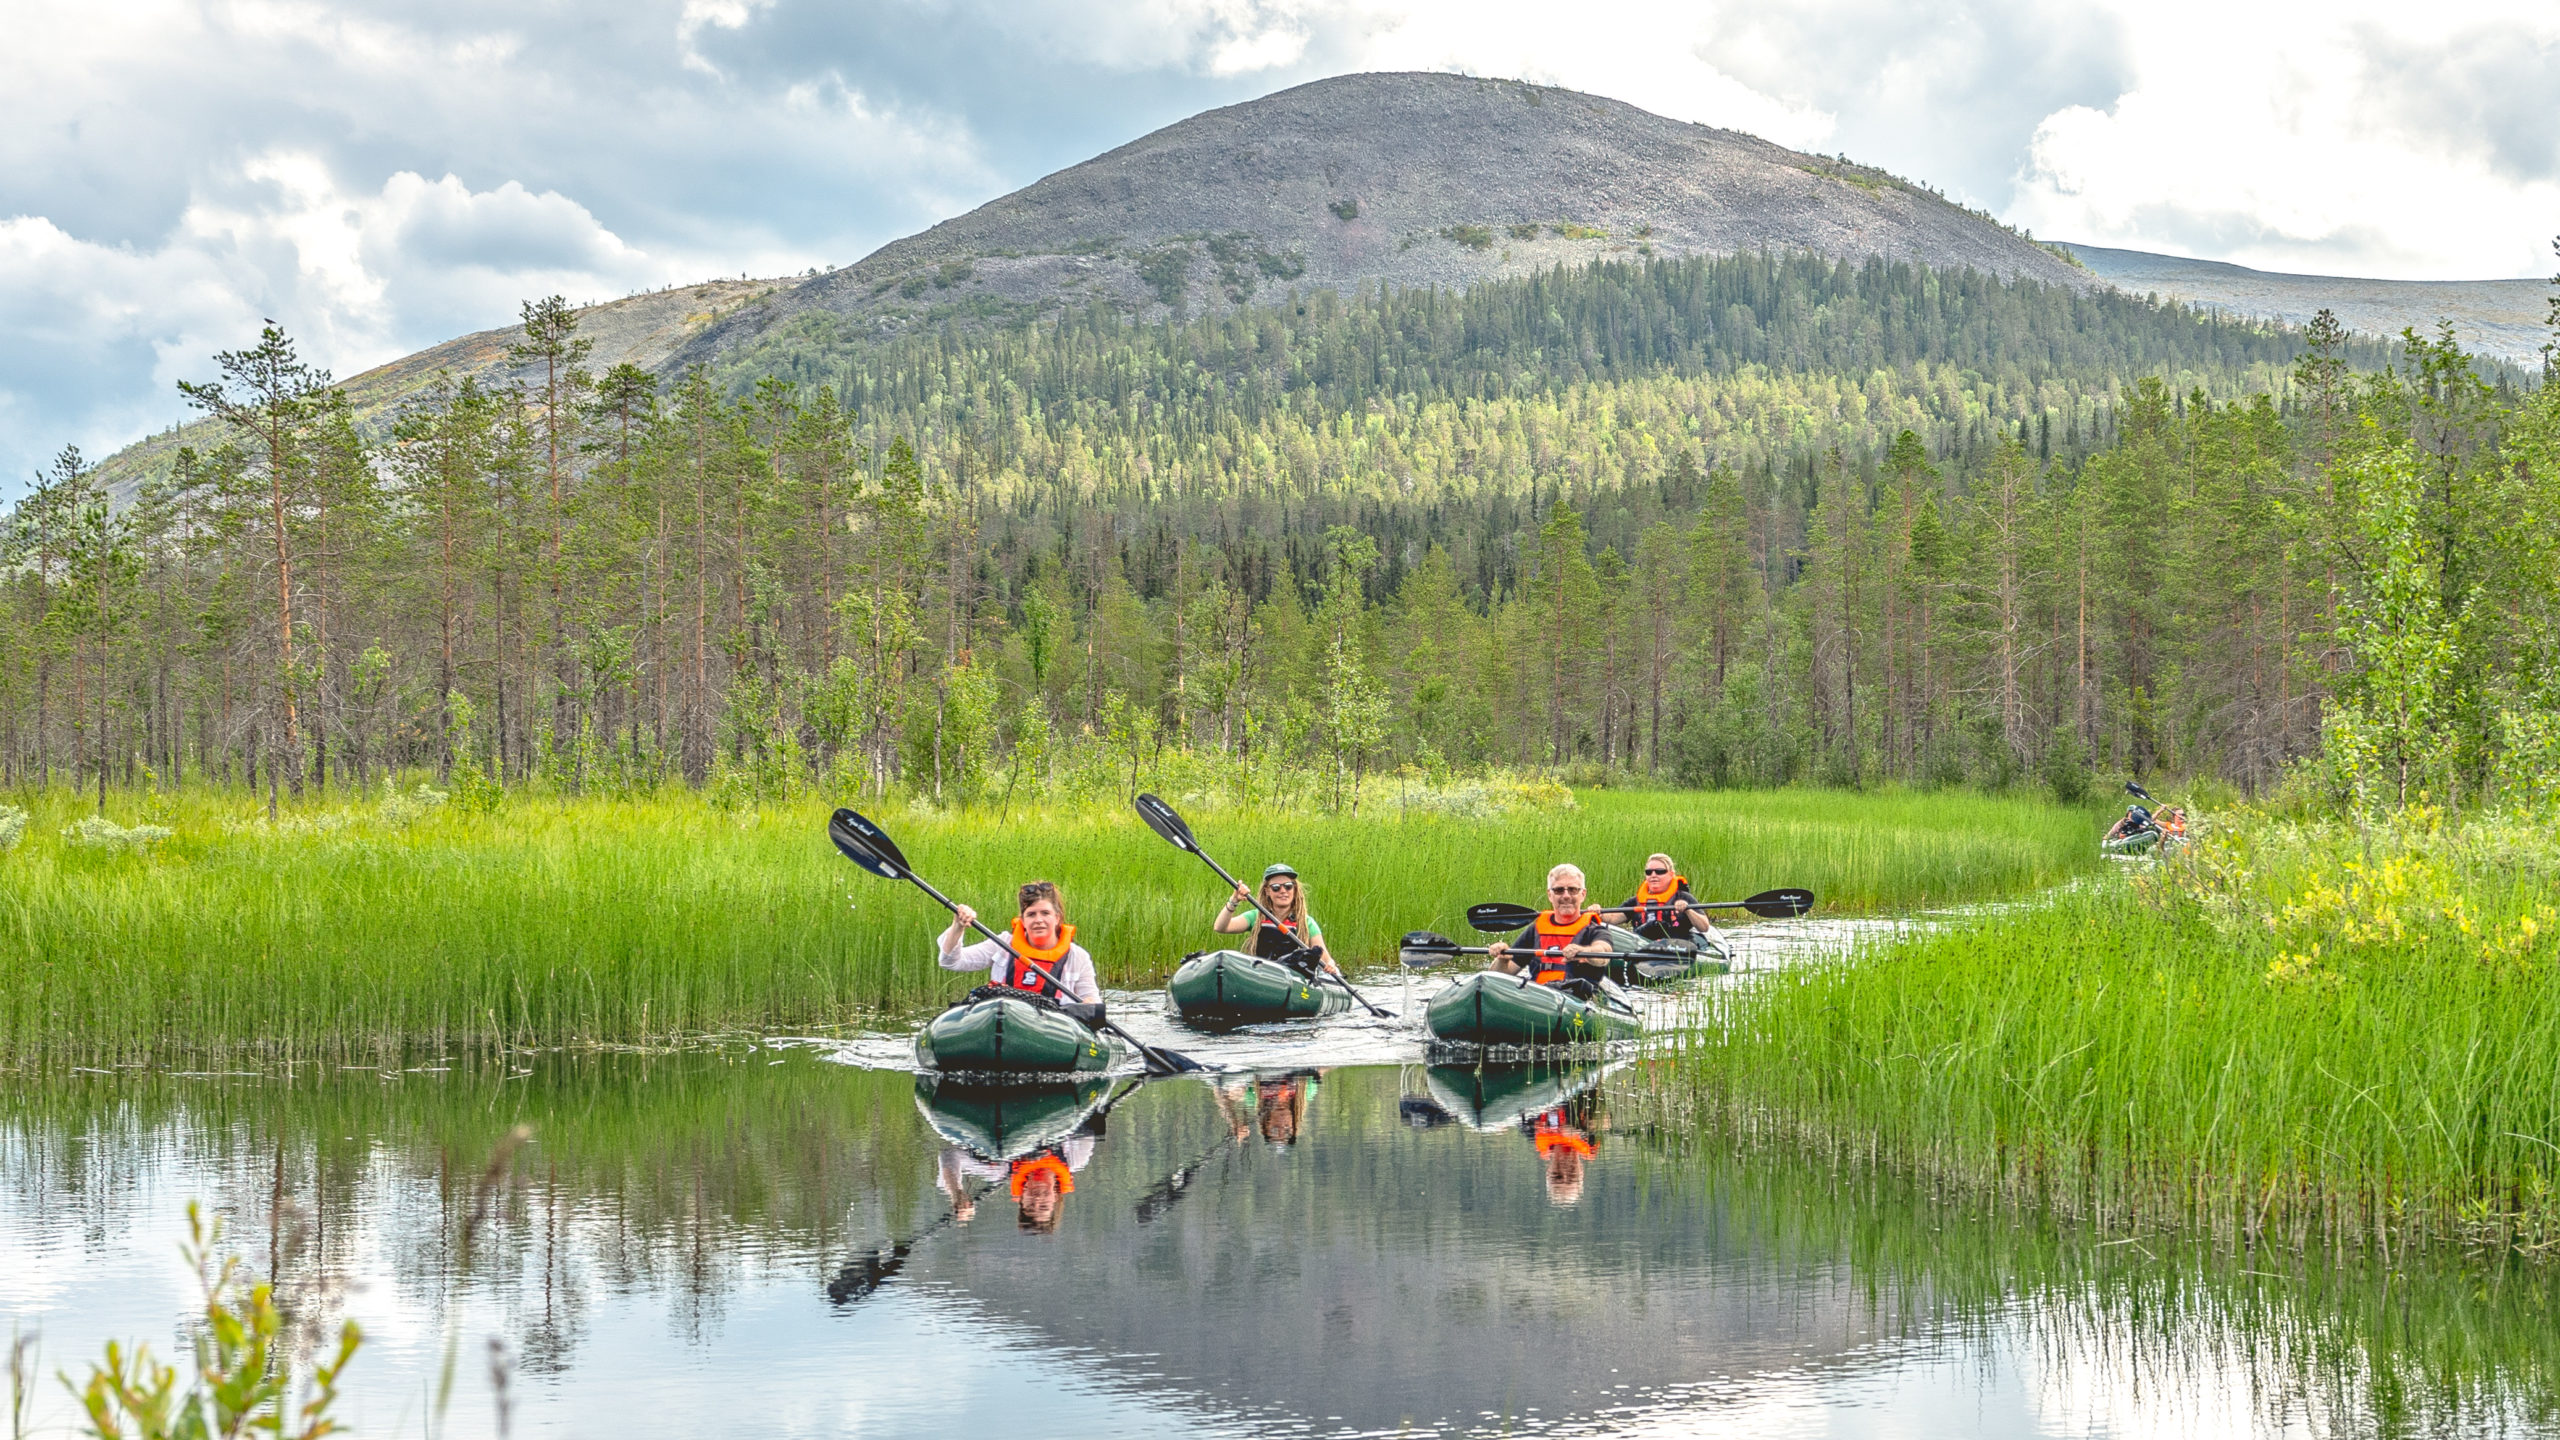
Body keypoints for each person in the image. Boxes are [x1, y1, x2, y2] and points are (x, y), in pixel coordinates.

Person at [937, 880, 1102, 1004]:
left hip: (1055, 1031)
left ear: (1057, 918)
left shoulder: (1077, 956)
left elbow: (1092, 1003)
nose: (1039, 920)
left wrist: (1089, 1004)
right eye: (1031, 914)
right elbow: (950, 962)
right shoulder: (1002, 944)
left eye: (1045, 913)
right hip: (1005, 1020)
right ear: (1022, 920)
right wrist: (958, 926)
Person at [1484, 863, 1614, 986]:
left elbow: (1603, 954)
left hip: (1578, 997)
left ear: (1583, 894)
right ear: (1550, 895)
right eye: (1559, 890)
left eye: (1573, 890)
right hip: (1540, 997)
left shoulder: (1595, 930)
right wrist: (1502, 959)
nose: (1566, 896)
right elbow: (1498, 976)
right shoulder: (1536, 930)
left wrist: (1583, 951)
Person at [1212, 863, 1341, 976]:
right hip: (1262, 975)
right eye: (1276, 888)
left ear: (1294, 890)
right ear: (1267, 891)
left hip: (1294, 978)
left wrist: (1330, 964)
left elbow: (1326, 958)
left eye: (1288, 886)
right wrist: (1234, 900)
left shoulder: (1306, 923)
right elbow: (1221, 927)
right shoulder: (1256, 917)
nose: (1283, 891)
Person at [1613, 853, 1719, 945]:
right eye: (1649, 872)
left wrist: (1688, 910)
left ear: (1671, 874)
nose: (1653, 875)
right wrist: (1597, 912)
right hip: (1642, 944)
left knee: (1660, 926)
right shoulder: (1635, 901)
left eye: (1660, 871)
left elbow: (1704, 927)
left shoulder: (1683, 897)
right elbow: (1612, 918)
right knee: (1653, 926)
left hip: (1678, 946)